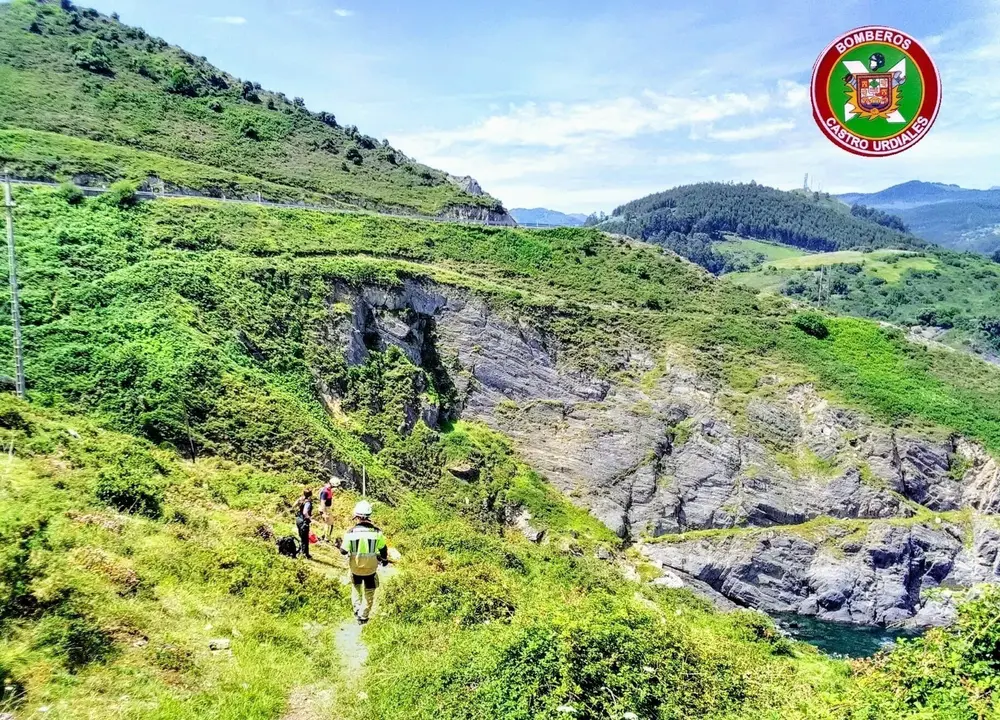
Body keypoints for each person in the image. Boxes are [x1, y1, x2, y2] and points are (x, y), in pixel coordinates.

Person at [335, 500, 389, 624]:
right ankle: (363, 616)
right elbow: (383, 548)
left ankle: (356, 609)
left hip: (355, 567)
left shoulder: (350, 532)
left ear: (357, 516)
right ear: (369, 516)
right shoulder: (377, 532)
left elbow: (343, 551)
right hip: (371, 568)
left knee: (356, 587)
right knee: (369, 590)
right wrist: (384, 560)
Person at [293, 488, 314, 560]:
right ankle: (305, 554)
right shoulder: (308, 502)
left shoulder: (301, 499)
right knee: (305, 538)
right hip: (304, 521)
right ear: (310, 495)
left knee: (302, 537)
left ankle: (302, 552)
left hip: (298, 519)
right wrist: (309, 518)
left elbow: (294, 505)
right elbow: (305, 512)